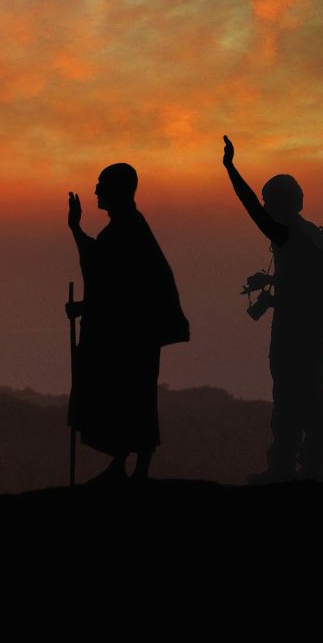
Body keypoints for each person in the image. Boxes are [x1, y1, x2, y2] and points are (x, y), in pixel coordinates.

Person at [66, 163, 189, 483]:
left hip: (134, 333)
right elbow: (104, 270)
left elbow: (119, 287)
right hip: (130, 331)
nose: (96, 191)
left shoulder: (128, 230)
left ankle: (138, 469)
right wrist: (76, 229)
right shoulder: (124, 228)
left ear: (117, 190)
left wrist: (84, 306)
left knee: (135, 395)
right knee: (124, 394)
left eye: (101, 185)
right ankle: (121, 462)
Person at [222, 135, 323, 483]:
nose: (265, 207)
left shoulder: (285, 233)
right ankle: (312, 466)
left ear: (280, 204)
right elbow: (304, 282)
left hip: (293, 330)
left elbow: (250, 206)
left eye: (269, 201)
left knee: (288, 394)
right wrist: (269, 283)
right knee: (312, 393)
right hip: (313, 330)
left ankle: (285, 466)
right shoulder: (309, 233)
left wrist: (230, 168)